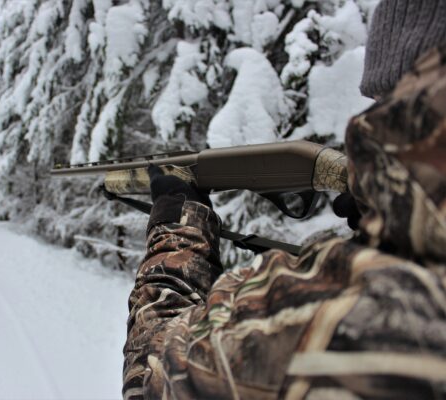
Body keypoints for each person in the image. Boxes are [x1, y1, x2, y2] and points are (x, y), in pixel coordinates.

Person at [123, 1, 446, 399]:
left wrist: (176, 226)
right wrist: (396, 214)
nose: (375, 118)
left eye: (386, 105)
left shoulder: (364, 299)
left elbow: (155, 374)